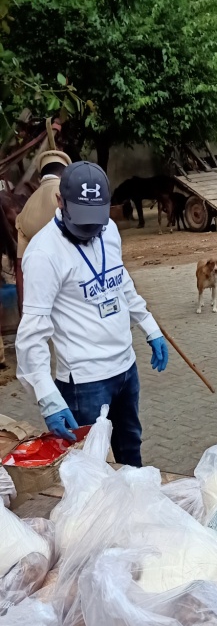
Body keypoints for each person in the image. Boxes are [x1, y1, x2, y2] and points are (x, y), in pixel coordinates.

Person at [15, 161, 168, 467]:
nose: (89, 230)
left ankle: (136, 509)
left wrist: (150, 327)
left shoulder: (109, 230)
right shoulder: (44, 254)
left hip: (125, 369)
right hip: (84, 382)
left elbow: (120, 282)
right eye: (81, 221)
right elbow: (32, 334)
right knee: (89, 467)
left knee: (130, 450)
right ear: (60, 201)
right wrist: (47, 397)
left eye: (95, 221)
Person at [15, 148, 71, 313]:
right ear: (65, 174)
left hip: (42, 297)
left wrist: (24, 309)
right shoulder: (68, 196)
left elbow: (19, 265)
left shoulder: (25, 210)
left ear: (41, 177)